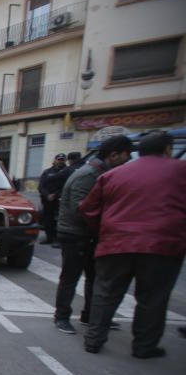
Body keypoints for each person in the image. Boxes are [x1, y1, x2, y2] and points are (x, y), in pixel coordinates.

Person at [80, 131, 186, 358]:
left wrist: (105, 231)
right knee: (153, 298)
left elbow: (89, 208)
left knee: (105, 293)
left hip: (116, 242)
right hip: (162, 245)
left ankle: (93, 340)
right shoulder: (180, 171)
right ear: (167, 149)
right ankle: (144, 346)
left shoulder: (112, 175)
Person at [53, 136, 133, 335]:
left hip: (91, 234)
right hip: (75, 234)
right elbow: (79, 209)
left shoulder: (102, 173)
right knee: (70, 278)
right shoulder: (88, 175)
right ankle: (62, 317)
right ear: (114, 155)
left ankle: (90, 315)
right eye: (126, 155)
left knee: (94, 277)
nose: (128, 160)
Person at [38, 153, 68, 246]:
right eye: (59, 159)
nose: (60, 161)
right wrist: (47, 195)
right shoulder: (47, 172)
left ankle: (57, 239)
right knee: (47, 220)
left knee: (58, 220)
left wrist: (55, 195)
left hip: (59, 200)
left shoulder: (66, 172)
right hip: (47, 201)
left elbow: (66, 187)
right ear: (55, 160)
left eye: (62, 159)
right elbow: (41, 186)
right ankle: (49, 238)